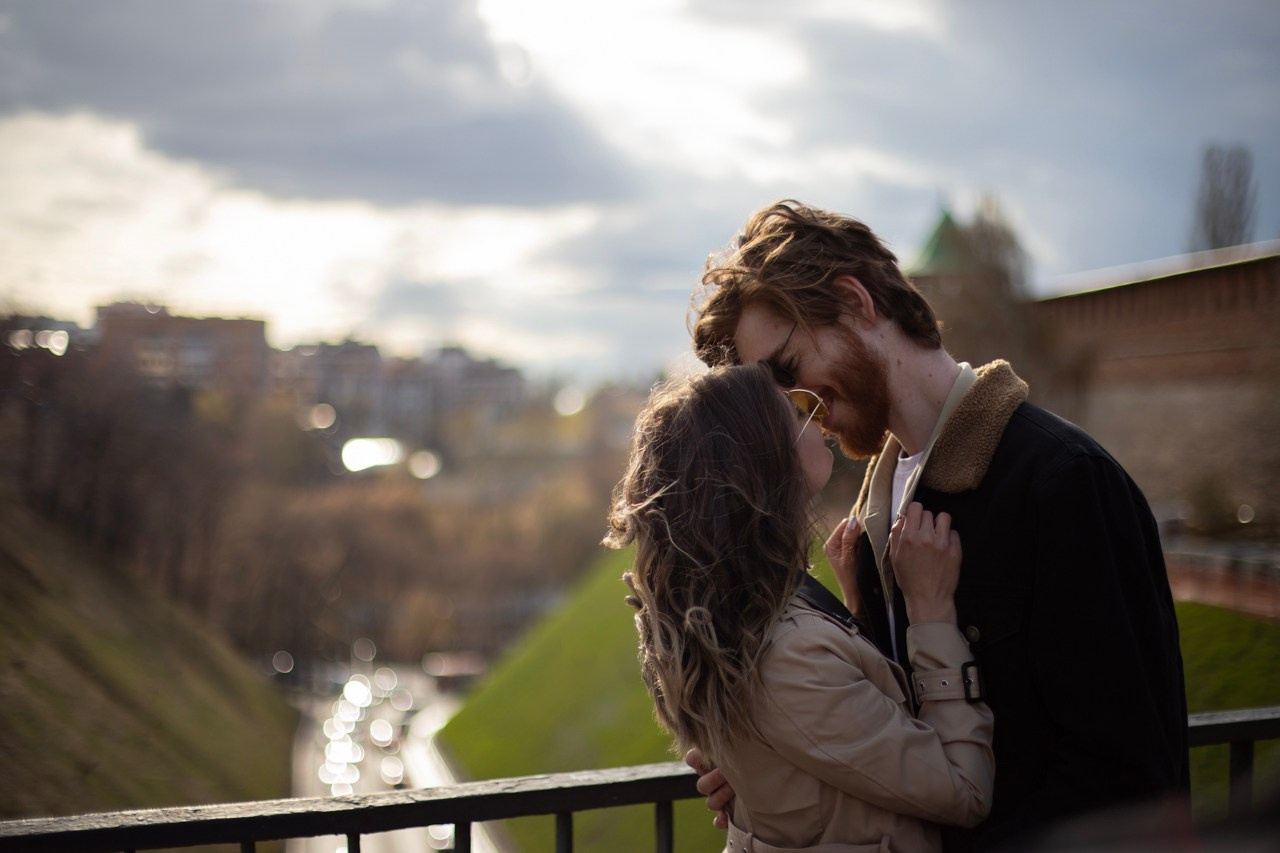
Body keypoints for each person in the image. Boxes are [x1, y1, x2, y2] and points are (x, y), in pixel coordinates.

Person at [686, 200, 1190, 851]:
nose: (795, 415)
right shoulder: (871, 523)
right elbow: (905, 756)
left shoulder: (1064, 481)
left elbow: (1128, 785)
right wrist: (782, 774)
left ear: (856, 302)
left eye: (788, 372)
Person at [605, 363, 994, 852]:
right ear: (762, 457)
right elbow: (965, 790)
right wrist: (932, 611)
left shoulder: (741, 613)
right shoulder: (787, 654)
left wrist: (851, 608)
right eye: (798, 408)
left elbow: (812, 761)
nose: (820, 414)